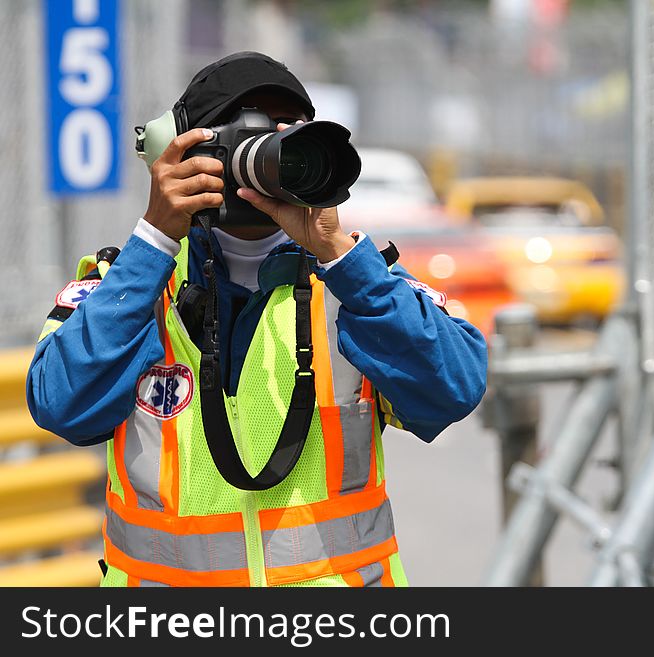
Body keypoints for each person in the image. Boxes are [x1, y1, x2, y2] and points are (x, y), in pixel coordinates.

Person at [26, 52, 487, 588]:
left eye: (288, 134)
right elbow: (60, 404)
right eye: (242, 128)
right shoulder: (131, 285)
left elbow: (454, 387)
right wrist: (154, 237)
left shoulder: (355, 284)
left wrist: (338, 253)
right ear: (180, 149)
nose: (270, 150)